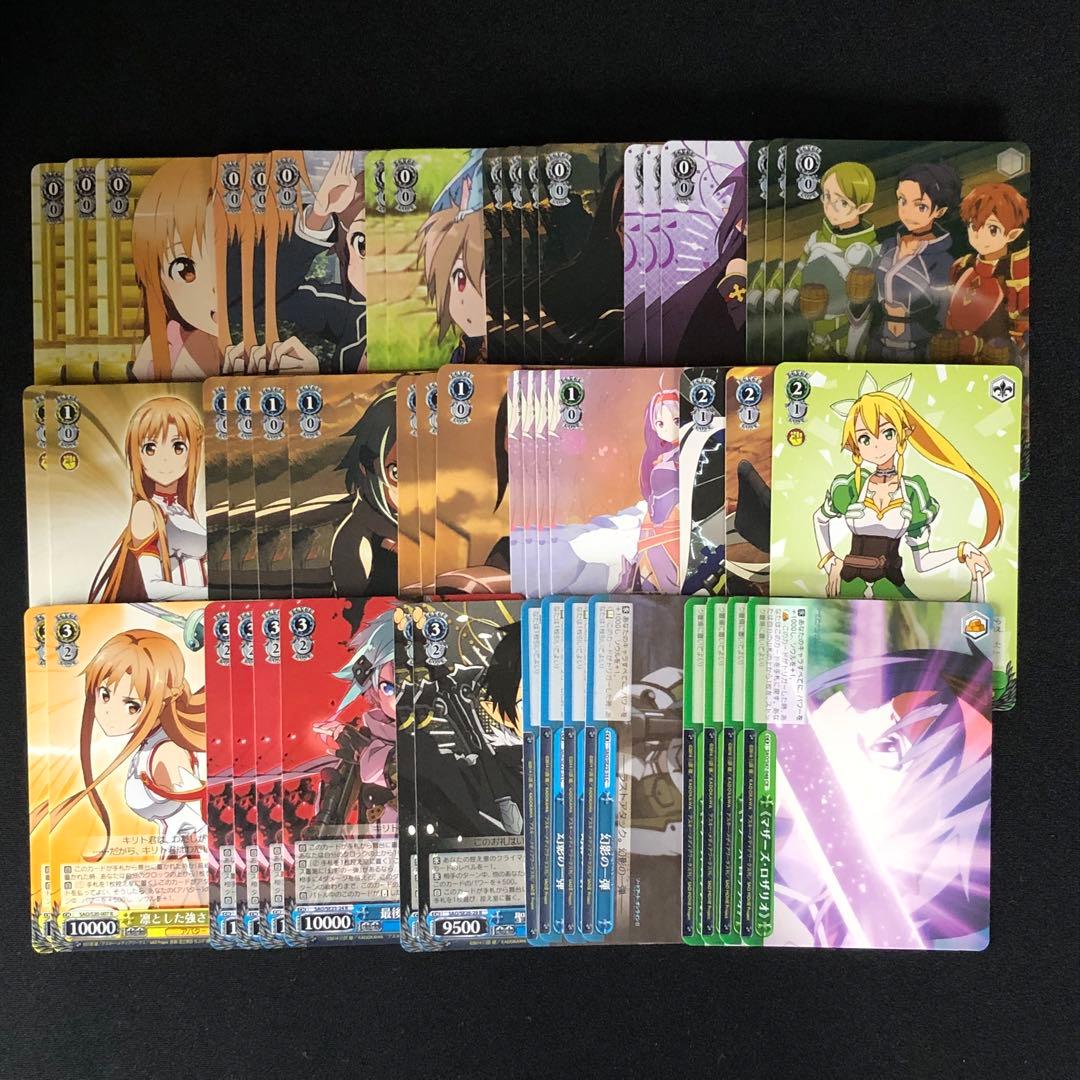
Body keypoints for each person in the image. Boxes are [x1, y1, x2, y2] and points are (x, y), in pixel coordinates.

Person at [814, 372, 1000, 600]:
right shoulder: (850, 487)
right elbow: (820, 518)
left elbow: (923, 562)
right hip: (848, 584)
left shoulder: (912, 492)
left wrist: (963, 551)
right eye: (865, 439)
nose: (877, 446)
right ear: (856, 446)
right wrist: (829, 560)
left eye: (887, 433)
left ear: (902, 435)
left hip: (890, 587)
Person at [89, 397, 207, 603]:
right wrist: (214, 594)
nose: (164, 459)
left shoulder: (184, 511)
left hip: (201, 612)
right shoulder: (145, 510)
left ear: (193, 453)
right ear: (137, 455)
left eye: (178, 446)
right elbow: (154, 589)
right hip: (173, 612)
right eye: (150, 448)